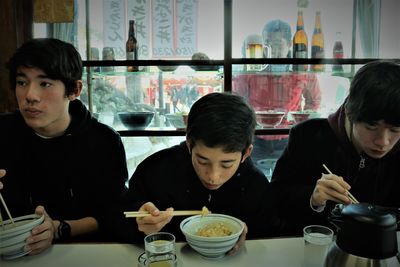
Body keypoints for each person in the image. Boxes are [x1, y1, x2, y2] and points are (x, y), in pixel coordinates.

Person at [0, 38, 128, 255]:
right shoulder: (2, 132)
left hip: (81, 254)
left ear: (75, 89)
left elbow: (113, 214)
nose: (30, 95)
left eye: (45, 83)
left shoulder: (103, 141)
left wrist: (58, 229)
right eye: (22, 82)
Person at [118, 92, 279, 253]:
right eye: (203, 161)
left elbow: (269, 238)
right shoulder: (155, 170)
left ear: (246, 153)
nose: (213, 177)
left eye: (226, 164)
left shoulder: (256, 185)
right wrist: (140, 226)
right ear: (189, 144)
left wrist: (249, 239)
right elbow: (117, 218)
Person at [271, 61, 400, 236]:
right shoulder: (308, 136)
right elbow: (276, 198)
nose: (383, 142)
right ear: (349, 111)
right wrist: (313, 198)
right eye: (371, 126)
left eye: (395, 129)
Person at [233, 19, 321, 173]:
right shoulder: (252, 70)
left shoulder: (301, 71)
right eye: (268, 44)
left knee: (285, 181)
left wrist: (299, 122)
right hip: (255, 137)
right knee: (255, 182)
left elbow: (314, 101)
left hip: (288, 138)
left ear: (288, 45)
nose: (272, 49)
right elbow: (236, 99)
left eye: (278, 44)